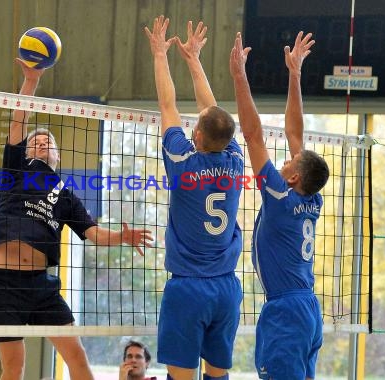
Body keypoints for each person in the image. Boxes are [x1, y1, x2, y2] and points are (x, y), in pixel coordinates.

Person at [0, 59, 154, 380]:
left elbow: (92, 233)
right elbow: (18, 122)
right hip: (3, 283)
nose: (43, 141)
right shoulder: (16, 172)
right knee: (14, 366)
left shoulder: (66, 195)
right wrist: (31, 81)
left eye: (49, 141)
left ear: (58, 156)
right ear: (28, 152)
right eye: (36, 141)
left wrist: (121, 237)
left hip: (41, 285)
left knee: (77, 355)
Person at [144, 16, 244, 380]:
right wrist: (194, 60)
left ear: (197, 136)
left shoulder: (183, 162)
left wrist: (160, 54)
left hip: (188, 287)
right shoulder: (235, 159)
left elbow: (168, 106)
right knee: (217, 377)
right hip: (227, 289)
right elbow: (212, 112)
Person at [229, 31, 329, 379]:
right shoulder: (310, 199)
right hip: (307, 309)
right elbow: (295, 133)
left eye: (290, 164)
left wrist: (239, 77)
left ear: (292, 179)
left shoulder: (280, 197)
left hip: (286, 310)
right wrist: (295, 74)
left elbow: (253, 135)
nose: (286, 161)